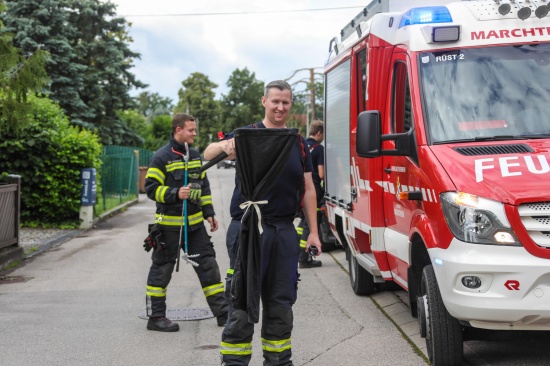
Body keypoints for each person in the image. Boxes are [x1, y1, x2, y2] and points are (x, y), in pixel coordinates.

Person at [204, 80, 322, 366]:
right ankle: (234, 363)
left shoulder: (297, 142)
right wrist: (225, 144)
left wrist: (315, 234)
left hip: (283, 230)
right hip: (248, 229)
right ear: (264, 102)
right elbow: (207, 154)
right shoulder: (247, 135)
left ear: (290, 104)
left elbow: (308, 189)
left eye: (285, 102)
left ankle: (279, 361)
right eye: (275, 101)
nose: (280, 107)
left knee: (281, 300)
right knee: (242, 299)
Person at [144, 113, 228, 332]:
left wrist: (208, 211)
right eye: (191, 130)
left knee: (208, 265)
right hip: (168, 226)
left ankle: (223, 313)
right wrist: (174, 193)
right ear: (178, 130)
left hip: (194, 226)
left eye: (195, 129)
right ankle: (156, 318)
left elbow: (203, 186)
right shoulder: (161, 157)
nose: (195, 133)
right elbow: (151, 189)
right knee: (162, 269)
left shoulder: (195, 156)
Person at [296, 120, 325, 268]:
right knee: (309, 224)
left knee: (302, 223)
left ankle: (299, 253)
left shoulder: (302, 144)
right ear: (319, 132)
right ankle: (304, 258)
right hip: (312, 189)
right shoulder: (318, 148)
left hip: (299, 189)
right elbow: (321, 174)